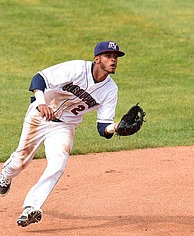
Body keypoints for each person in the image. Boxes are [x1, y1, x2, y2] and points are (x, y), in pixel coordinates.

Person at [0, 41, 125, 227]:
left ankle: (32, 206)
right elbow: (39, 79)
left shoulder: (110, 90)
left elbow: (103, 128)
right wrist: (41, 102)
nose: (113, 60)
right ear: (97, 59)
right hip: (40, 115)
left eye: (115, 57)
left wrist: (118, 127)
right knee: (20, 161)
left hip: (65, 126)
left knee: (58, 163)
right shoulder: (76, 68)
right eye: (108, 56)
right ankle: (6, 174)